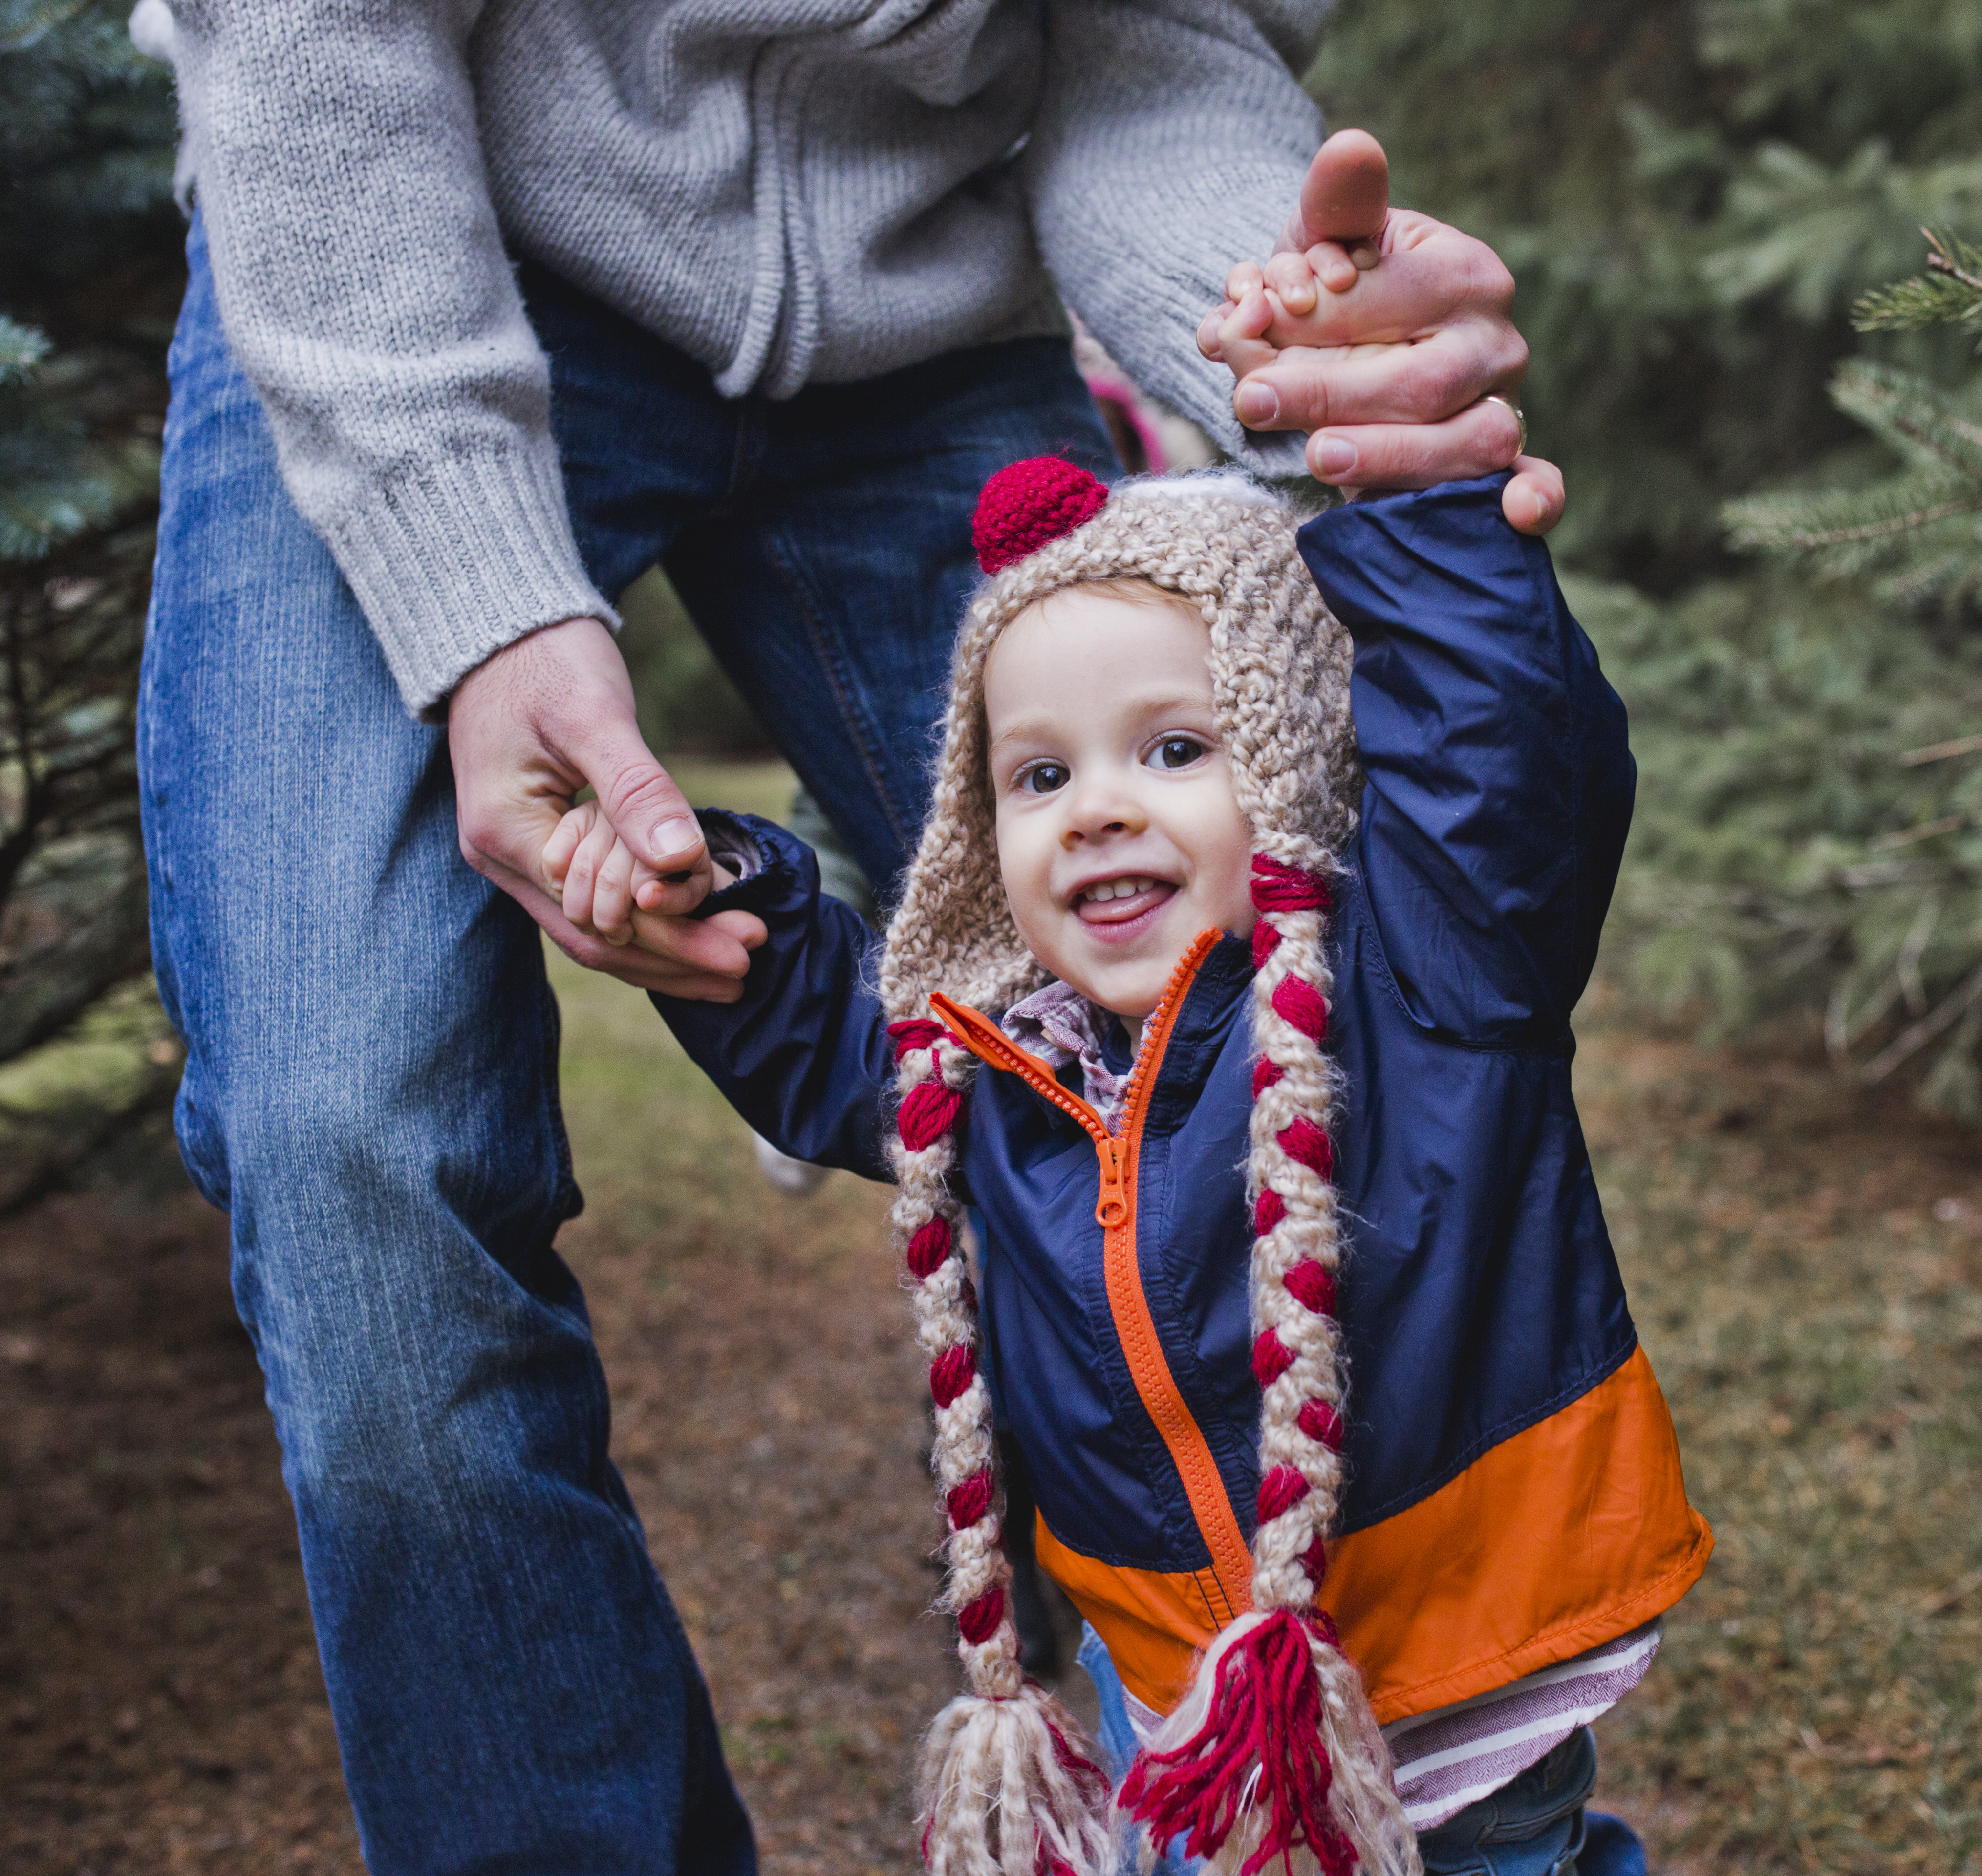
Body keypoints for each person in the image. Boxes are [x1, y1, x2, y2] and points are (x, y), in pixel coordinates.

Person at [136, 0, 1561, 1863]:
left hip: (928, 324)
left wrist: (1297, 347)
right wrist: (476, 586)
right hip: (394, 248)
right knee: (355, 1157)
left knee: (1235, 1040)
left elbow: (1157, 45)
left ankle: (1252, 1799)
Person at [556, 449, 1710, 1876]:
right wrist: (715, 896)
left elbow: (1497, 761)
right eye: (1041, 772)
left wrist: (1426, 527)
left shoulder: (1424, 972)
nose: (1097, 806)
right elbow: (820, 1037)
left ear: (1292, 756)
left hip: (1469, 1657)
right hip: (1178, 1682)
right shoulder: (994, 1067)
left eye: (1174, 749)